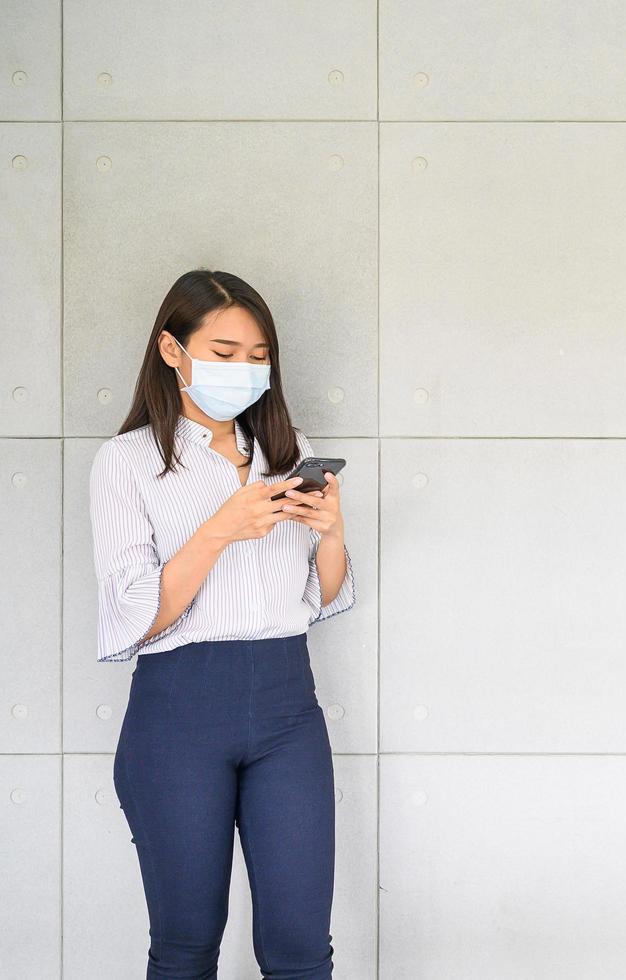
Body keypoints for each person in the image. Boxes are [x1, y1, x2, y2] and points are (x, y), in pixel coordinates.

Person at [90, 268, 357, 978]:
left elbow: (323, 596)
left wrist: (329, 531)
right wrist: (218, 529)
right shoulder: (125, 463)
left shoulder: (285, 452)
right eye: (226, 351)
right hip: (178, 713)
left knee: (301, 948)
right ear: (173, 351)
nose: (246, 369)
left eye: (259, 355)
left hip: (287, 708)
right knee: (185, 945)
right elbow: (131, 619)